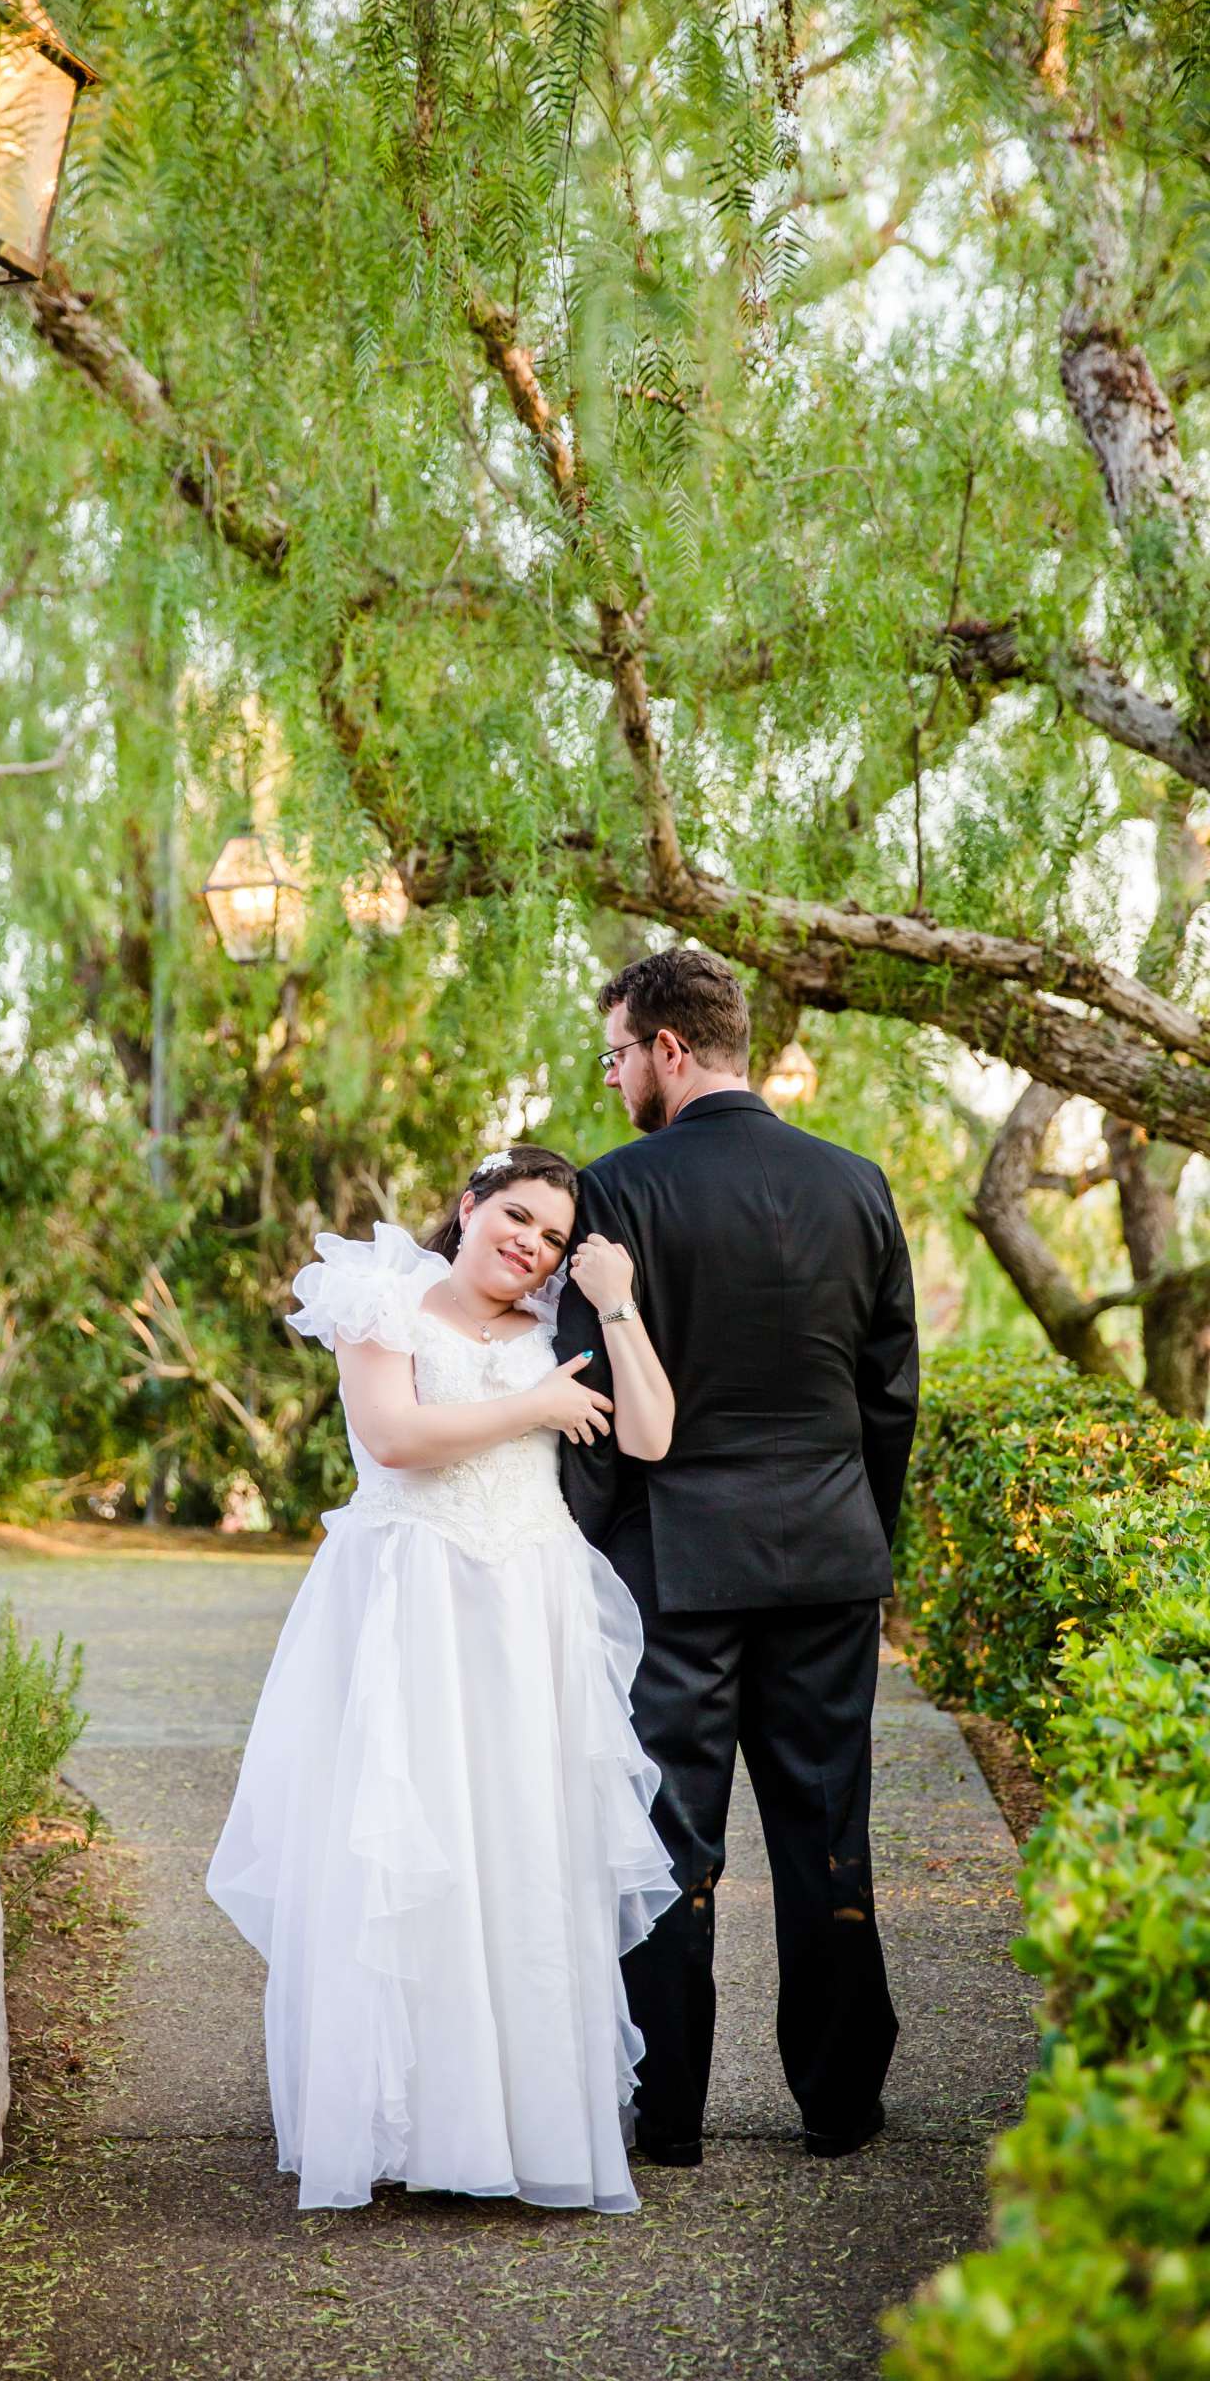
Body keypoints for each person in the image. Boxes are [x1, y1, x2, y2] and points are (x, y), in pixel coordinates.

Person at [206, 1144, 680, 2212]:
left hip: (529, 1612)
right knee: (408, 1846)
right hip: (411, 1598)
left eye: (553, 1237)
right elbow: (395, 1435)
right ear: (467, 1206)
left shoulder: (559, 1326)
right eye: (515, 1216)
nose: (530, 1245)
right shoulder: (380, 1297)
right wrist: (534, 1409)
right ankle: (405, 2121)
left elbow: (647, 1432)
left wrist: (614, 1305)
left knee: (518, 1844)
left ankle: (519, 2123)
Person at [554, 947, 919, 2167]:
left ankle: (668, 2121)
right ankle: (840, 2105)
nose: (611, 1081)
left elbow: (595, 1404)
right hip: (828, 1558)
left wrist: (589, 1554)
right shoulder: (857, 1185)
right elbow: (888, 1397)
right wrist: (869, 1543)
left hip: (677, 1568)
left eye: (616, 1055)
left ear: (667, 1048)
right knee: (827, 1835)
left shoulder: (619, 1192)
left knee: (671, 1842)